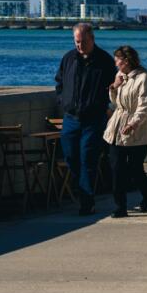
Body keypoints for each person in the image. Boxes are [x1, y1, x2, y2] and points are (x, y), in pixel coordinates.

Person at [55, 23, 116, 216]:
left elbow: (114, 88)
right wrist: (62, 100)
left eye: (82, 42)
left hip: (94, 119)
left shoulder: (105, 61)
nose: (79, 45)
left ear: (92, 39)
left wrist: (107, 107)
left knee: (88, 158)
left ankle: (86, 202)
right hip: (71, 118)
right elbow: (59, 82)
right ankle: (82, 193)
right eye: (76, 42)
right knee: (70, 157)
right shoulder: (69, 58)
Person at [103, 45, 147, 218]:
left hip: (137, 130)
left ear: (126, 61)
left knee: (135, 169)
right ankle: (120, 206)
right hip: (117, 125)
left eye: (117, 60)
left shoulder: (144, 78)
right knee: (116, 168)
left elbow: (144, 106)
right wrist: (114, 87)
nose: (115, 64)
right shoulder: (119, 75)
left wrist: (133, 124)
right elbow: (115, 102)